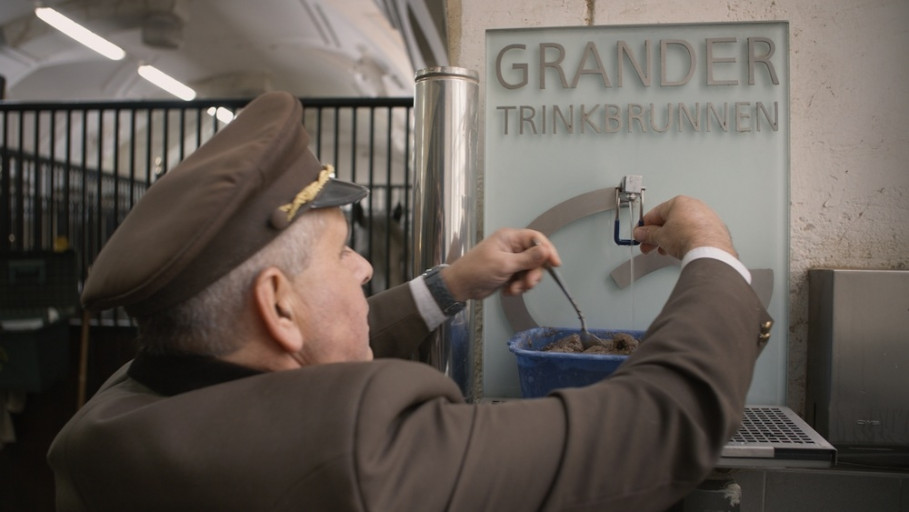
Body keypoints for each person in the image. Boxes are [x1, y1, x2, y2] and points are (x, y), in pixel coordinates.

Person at [47, 91, 772, 512]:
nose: (364, 268)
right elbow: (658, 423)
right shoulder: (368, 457)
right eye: (341, 252)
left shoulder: (109, 419)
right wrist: (712, 249)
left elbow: (286, 379)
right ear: (278, 305)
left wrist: (451, 283)